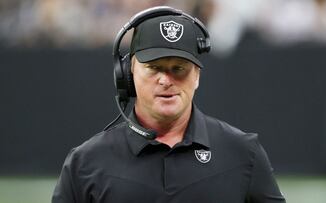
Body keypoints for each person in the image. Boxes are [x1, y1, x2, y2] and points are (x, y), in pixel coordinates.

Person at [52, 6, 286, 203]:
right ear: (128, 71)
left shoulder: (243, 154)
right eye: (154, 67)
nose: (166, 80)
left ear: (197, 76)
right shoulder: (86, 163)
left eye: (179, 69)